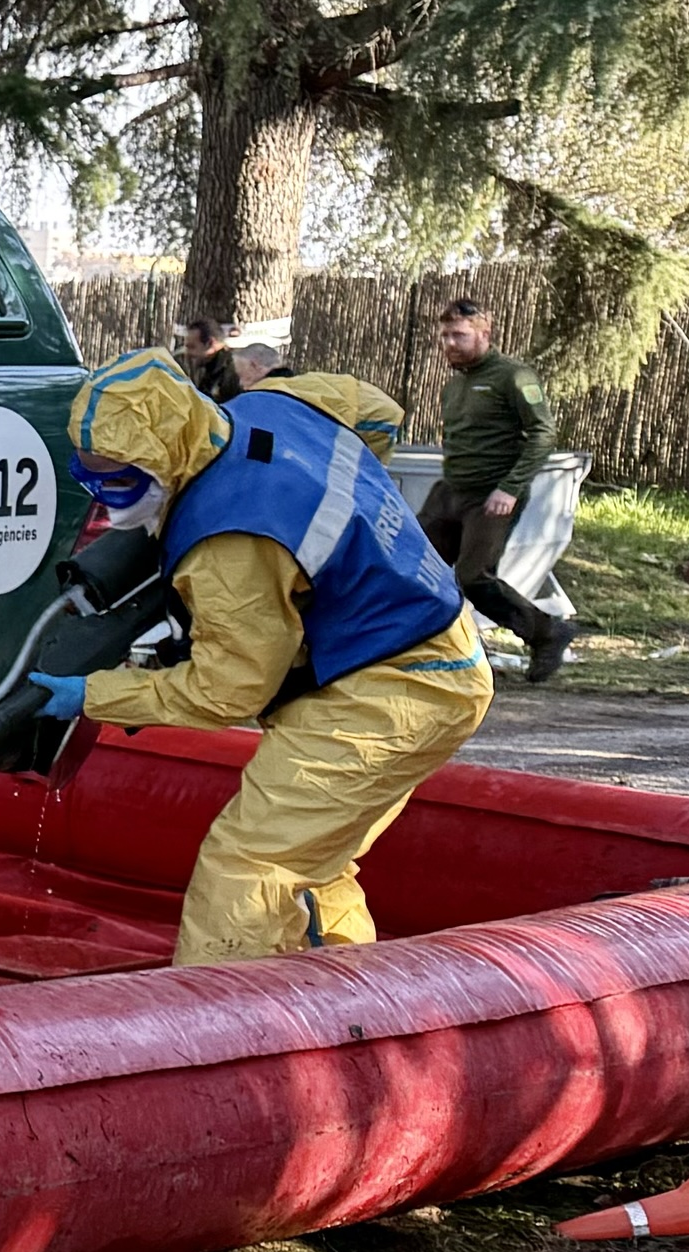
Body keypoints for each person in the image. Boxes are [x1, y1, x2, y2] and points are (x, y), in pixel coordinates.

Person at [32, 350, 493, 962]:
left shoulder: (229, 541)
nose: (112, 499)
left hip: (381, 694)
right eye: (93, 480)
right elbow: (379, 416)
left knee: (250, 866)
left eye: (123, 479)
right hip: (445, 656)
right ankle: (349, 1004)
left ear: (168, 455)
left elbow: (230, 691)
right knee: (314, 859)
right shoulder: (281, 403)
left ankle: (220, 1030)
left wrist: (93, 694)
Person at [418, 297, 572, 684]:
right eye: (445, 336)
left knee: (474, 577)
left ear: (484, 334)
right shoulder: (454, 386)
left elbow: (543, 433)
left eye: (460, 335)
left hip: (492, 495)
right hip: (449, 490)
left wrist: (510, 488)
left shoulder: (513, 376)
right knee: (413, 566)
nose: (450, 343)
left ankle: (547, 632)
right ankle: (436, 650)